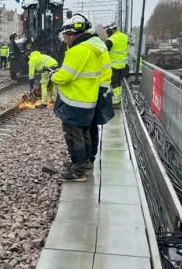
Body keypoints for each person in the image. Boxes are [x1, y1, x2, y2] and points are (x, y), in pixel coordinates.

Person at [51, 13, 101, 182]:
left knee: (74, 137)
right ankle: (83, 163)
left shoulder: (77, 51)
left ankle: (78, 171)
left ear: (72, 35)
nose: (65, 40)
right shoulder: (92, 49)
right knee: (85, 134)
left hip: (75, 102)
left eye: (65, 37)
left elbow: (65, 77)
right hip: (88, 101)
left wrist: (53, 76)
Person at [85, 31, 115, 169]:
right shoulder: (101, 47)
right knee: (92, 126)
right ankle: (90, 156)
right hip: (99, 90)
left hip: (94, 92)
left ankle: (89, 157)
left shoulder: (93, 49)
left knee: (90, 126)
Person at [104, 22, 129, 108]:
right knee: (118, 82)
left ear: (111, 31)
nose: (107, 34)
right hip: (122, 64)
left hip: (113, 65)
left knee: (114, 83)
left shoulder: (111, 40)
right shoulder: (125, 37)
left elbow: (103, 51)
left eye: (107, 32)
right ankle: (118, 99)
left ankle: (115, 101)